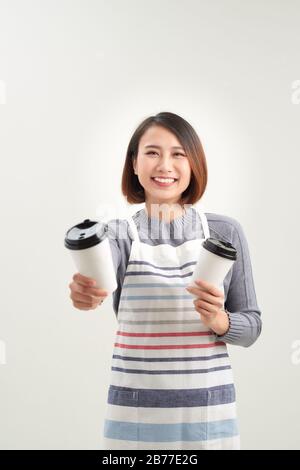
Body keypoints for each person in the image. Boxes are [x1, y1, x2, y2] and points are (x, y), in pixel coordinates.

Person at [69, 111, 262, 450]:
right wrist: (86, 293)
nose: (165, 165)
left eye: (178, 154)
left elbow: (252, 326)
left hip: (207, 415)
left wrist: (220, 320)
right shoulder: (117, 235)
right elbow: (98, 281)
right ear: (134, 163)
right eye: (152, 152)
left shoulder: (224, 232)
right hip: (136, 415)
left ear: (194, 163)